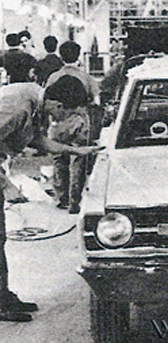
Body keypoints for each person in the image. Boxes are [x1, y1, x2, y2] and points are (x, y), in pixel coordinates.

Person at [0, 82, 102, 322]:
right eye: (67, 113)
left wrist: (75, 151)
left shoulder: (36, 100)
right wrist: (6, 185)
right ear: (57, 104)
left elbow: (35, 139)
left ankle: (2, 296)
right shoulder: (19, 108)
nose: (63, 120)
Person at [44, 41, 101, 214]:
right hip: (79, 120)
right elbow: (97, 101)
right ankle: (75, 200)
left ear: (61, 56)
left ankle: (62, 198)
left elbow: (45, 99)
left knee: (59, 159)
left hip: (58, 122)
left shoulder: (53, 77)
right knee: (78, 160)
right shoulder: (86, 77)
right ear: (78, 55)